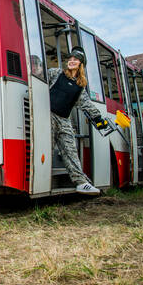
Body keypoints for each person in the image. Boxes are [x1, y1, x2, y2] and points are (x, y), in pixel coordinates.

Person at [48, 46, 107, 195]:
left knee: (71, 150)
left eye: (75, 59)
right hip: (48, 116)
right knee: (46, 148)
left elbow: (86, 104)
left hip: (64, 120)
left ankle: (81, 183)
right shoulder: (56, 73)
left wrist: (99, 120)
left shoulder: (80, 86)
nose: (72, 61)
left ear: (81, 64)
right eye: (70, 59)